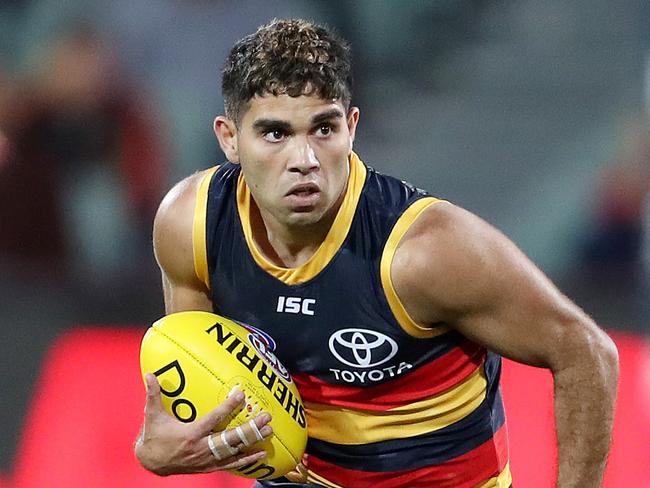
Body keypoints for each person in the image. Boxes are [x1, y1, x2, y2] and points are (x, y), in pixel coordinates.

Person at [135, 18, 619, 488]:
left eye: (323, 129)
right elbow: (203, 383)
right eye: (275, 134)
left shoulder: (425, 252)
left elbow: (587, 353)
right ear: (229, 139)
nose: (303, 161)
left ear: (351, 126)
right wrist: (161, 451)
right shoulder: (192, 225)